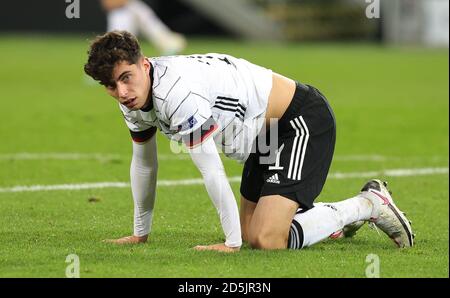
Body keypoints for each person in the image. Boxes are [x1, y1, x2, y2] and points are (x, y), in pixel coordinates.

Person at [84, 31, 414, 253]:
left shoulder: (176, 93)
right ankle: (323, 222)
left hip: (297, 122)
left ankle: (369, 204)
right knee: (253, 232)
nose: (122, 92)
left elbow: (211, 170)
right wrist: (140, 232)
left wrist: (230, 244)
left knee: (267, 238)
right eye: (111, 86)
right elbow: (144, 162)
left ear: (144, 65)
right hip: (264, 135)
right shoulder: (134, 99)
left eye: (126, 78)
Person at [100, 0, 186, 55]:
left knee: (149, 21)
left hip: (130, 7)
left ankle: (170, 45)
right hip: (119, 13)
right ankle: (101, 64)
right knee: (115, 43)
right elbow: (109, 4)